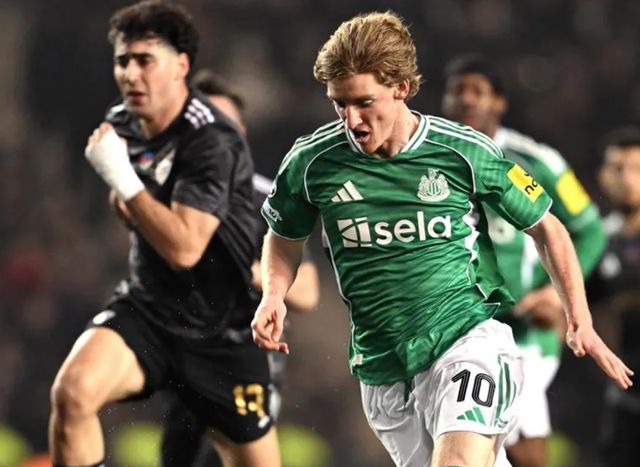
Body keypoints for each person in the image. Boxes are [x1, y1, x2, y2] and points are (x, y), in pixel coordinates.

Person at [251, 11, 633, 467]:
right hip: (383, 367)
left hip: (467, 341)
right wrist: (273, 294)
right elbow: (284, 236)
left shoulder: (463, 150)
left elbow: (548, 227)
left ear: (401, 88)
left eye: (364, 102)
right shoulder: (311, 162)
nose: (351, 120)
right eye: (339, 104)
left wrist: (578, 317)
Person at [48, 2, 281, 467]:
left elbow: (185, 248)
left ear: (181, 66)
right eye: (123, 60)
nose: (130, 73)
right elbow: (134, 213)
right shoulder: (122, 123)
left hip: (222, 334)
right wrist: (130, 202)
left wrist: (123, 181)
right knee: (72, 394)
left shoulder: (212, 139)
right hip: (151, 312)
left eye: (145, 60)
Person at [440, 54, 607, 467]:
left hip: (525, 329)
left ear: (499, 102)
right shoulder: (430, 158)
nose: (466, 100)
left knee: (513, 428)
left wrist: (554, 295)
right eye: (457, 91)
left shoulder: (535, 160)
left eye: (477, 91)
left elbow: (589, 230)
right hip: (456, 324)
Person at [160, 69, 320, 467]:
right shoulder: (168, 200)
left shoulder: (267, 201)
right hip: (186, 364)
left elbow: (307, 292)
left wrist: (242, 268)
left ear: (241, 134)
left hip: (248, 369)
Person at [591, 126, 640, 467]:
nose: (627, 179)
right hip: (626, 398)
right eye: (618, 168)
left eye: (636, 168)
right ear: (602, 178)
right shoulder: (595, 243)